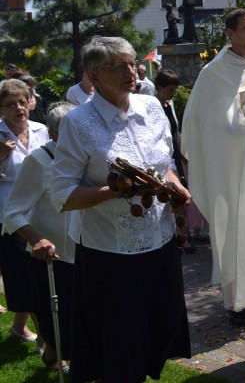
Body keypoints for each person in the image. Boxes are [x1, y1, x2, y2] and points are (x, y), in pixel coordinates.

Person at [51, 36, 192, 383]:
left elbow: (165, 162)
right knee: (119, 347)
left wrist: (173, 185)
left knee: (154, 334)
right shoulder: (78, 123)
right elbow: (62, 193)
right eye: (119, 66)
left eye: (132, 63)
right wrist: (112, 190)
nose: (131, 71)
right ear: (94, 76)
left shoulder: (152, 107)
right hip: (110, 253)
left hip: (159, 242)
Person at [181, 8, 245, 325]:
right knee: (235, 229)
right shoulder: (213, 73)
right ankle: (236, 302)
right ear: (230, 34)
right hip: (229, 169)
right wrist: (232, 124)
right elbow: (198, 122)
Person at [4, 101, 75, 374]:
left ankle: (79, 360)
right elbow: (13, 213)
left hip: (86, 250)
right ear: (55, 134)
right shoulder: (39, 160)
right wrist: (36, 239)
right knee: (54, 316)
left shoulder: (87, 157)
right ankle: (55, 356)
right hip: (51, 256)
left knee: (82, 314)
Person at [0, 78, 49, 344]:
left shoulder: (41, 129)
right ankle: (47, 342)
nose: (19, 108)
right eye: (10, 104)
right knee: (25, 274)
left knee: (36, 272)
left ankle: (19, 328)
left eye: (22, 102)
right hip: (9, 215)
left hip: (41, 210)